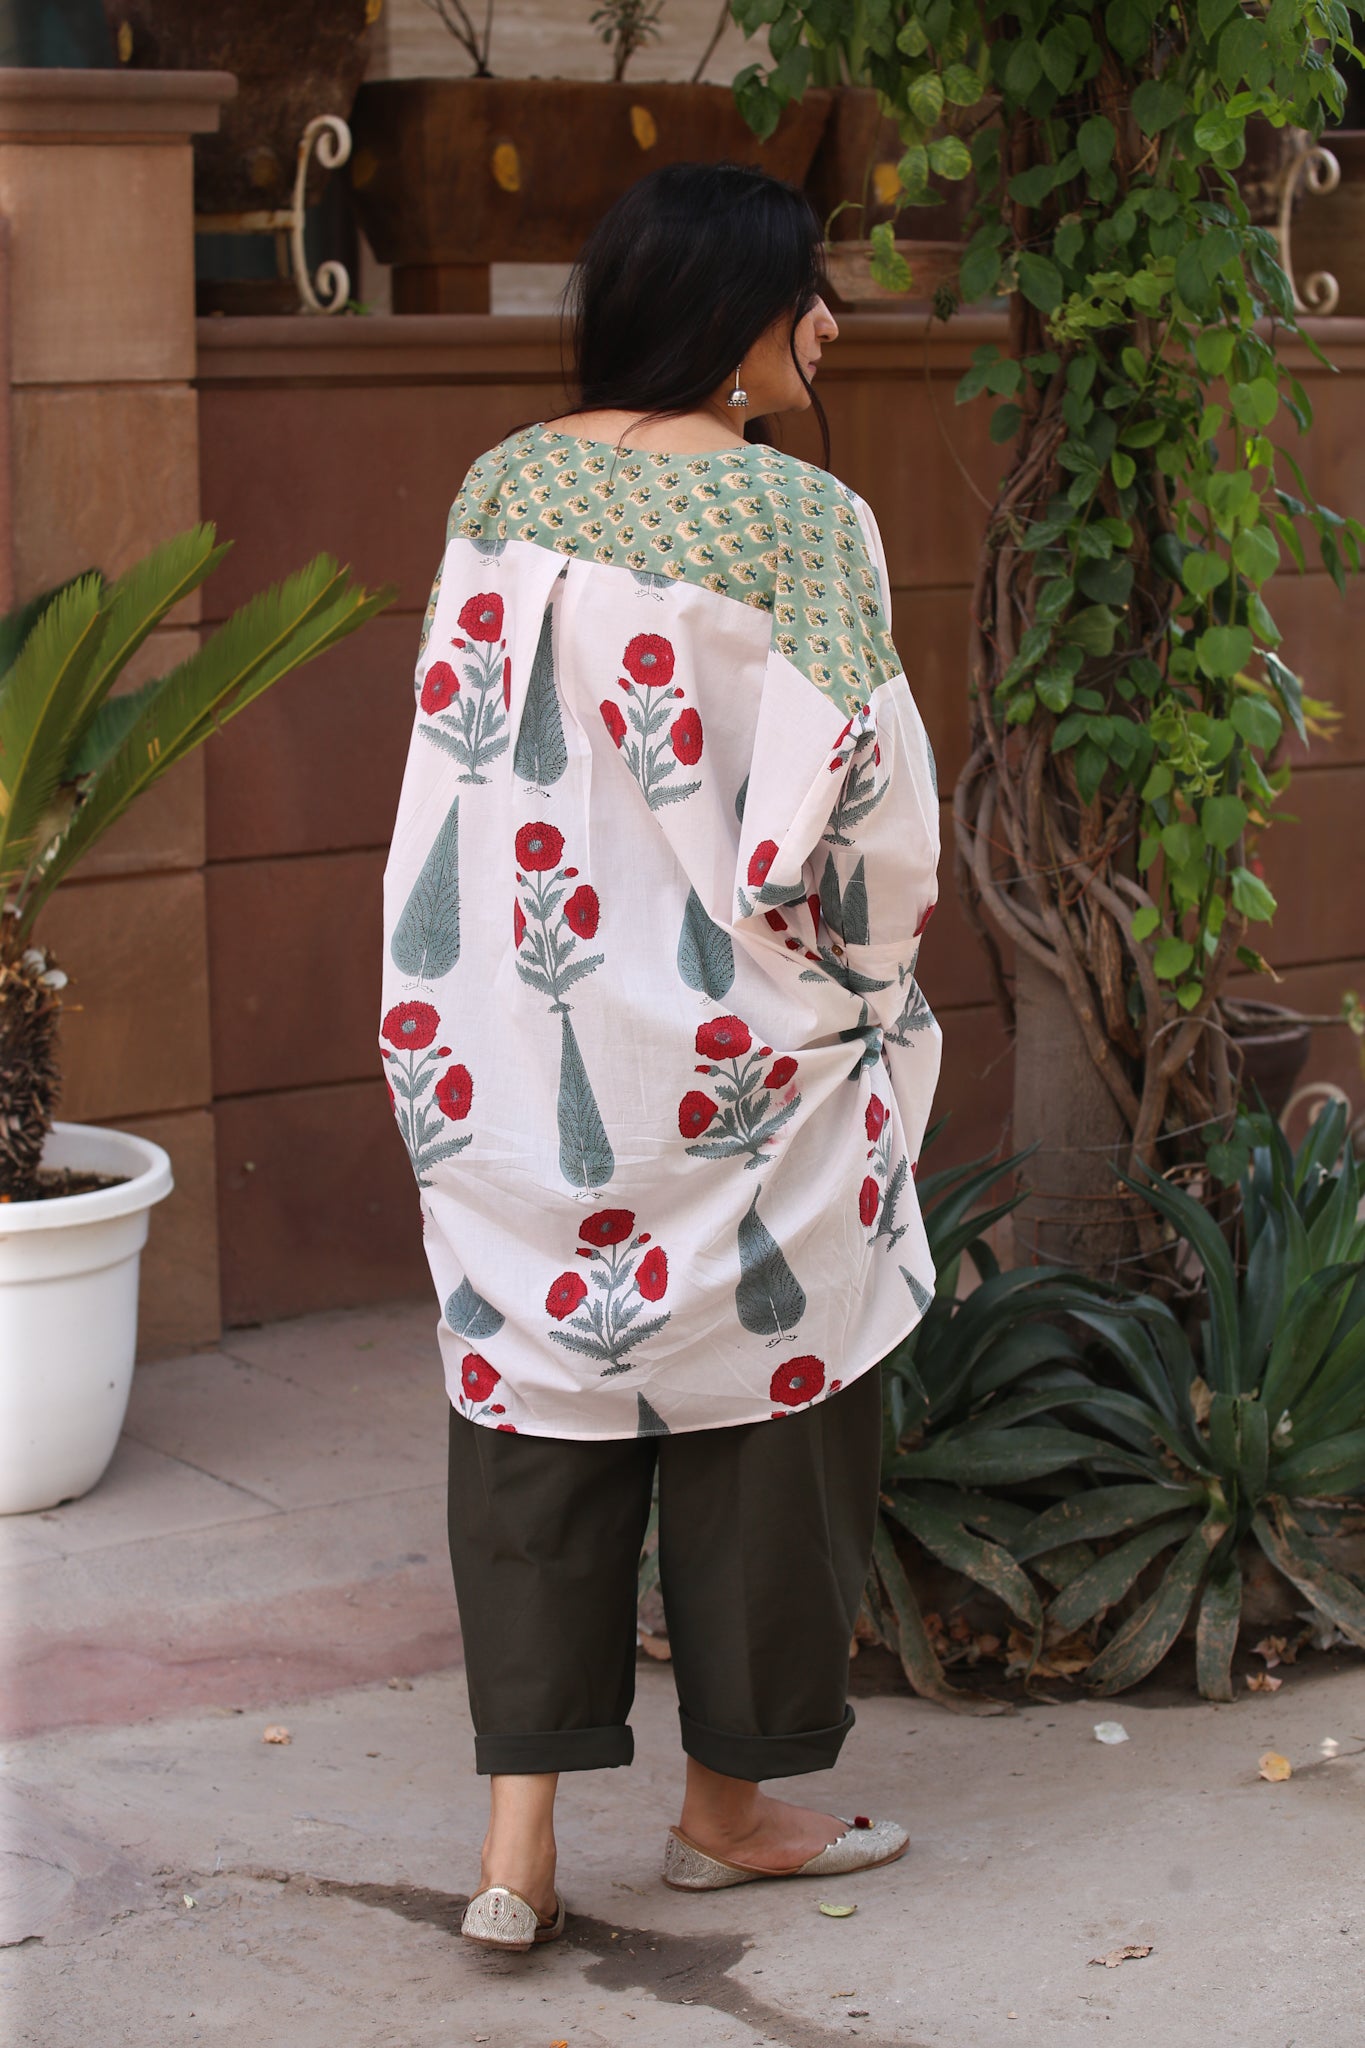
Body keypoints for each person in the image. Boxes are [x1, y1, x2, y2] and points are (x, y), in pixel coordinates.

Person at [379, 161, 942, 1953]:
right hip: (739, 1057)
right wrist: (870, 985)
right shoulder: (801, 519)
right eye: (804, 290)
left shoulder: (500, 487)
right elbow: (864, 808)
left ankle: (516, 1848)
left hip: (503, 1034)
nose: (829, 323)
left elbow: (460, 761)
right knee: (770, 1406)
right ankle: (727, 1811)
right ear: (726, 313)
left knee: (527, 1397)